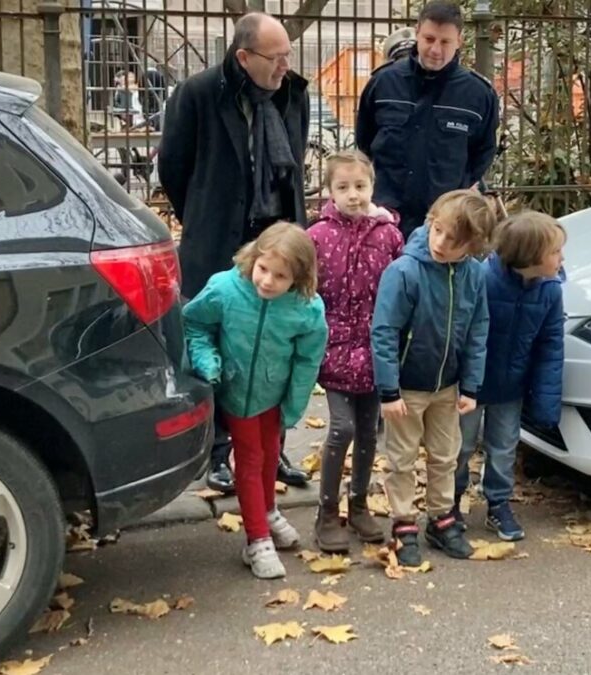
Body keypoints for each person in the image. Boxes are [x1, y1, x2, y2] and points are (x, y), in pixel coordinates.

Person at [159, 12, 311, 493]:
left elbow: (295, 165)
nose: (285, 65)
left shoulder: (291, 93)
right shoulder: (200, 94)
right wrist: (206, 217)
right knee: (225, 347)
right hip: (220, 241)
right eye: (276, 57)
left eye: (289, 54)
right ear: (243, 57)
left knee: (275, 347)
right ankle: (220, 451)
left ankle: (273, 448)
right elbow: (173, 169)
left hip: (277, 241)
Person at [182, 222, 328, 579]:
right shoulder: (225, 289)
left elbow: (308, 357)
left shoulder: (306, 308)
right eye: (264, 269)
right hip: (237, 390)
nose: (267, 281)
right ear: (253, 257)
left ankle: (267, 510)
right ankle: (257, 539)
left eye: (280, 276)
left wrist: (294, 402)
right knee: (249, 459)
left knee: (268, 456)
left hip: (275, 396)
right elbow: (194, 323)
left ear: (298, 278)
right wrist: (206, 360)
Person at [371, 189, 497, 566]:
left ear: (473, 247)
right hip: (407, 387)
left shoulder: (474, 275)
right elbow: (384, 331)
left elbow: (478, 329)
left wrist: (472, 384)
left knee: (447, 455)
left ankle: (442, 519)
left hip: (448, 386)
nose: (441, 243)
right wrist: (388, 389)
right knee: (402, 458)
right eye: (437, 230)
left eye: (454, 241)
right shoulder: (404, 271)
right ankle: (404, 522)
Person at [307, 151, 404, 553]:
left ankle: (359, 503)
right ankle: (327, 511)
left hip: (376, 348)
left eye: (360, 186)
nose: (353, 195)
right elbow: (305, 288)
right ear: (329, 190)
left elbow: (400, 288)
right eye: (343, 187)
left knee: (368, 431)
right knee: (342, 427)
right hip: (334, 348)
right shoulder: (317, 236)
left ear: (372, 187)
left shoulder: (388, 235)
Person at [453, 211, 565, 541]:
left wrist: (545, 402)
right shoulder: (481, 281)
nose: (562, 258)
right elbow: (461, 331)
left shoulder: (550, 291)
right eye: (556, 252)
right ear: (530, 257)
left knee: (503, 447)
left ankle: (498, 503)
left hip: (510, 387)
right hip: (469, 386)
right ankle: (449, 502)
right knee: (460, 446)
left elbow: (551, 345)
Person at [356, 0, 500, 240]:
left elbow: (482, 153)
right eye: (429, 39)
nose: (436, 50)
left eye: (445, 42)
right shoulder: (383, 84)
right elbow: (365, 142)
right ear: (417, 33)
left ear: (460, 41)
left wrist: (457, 190)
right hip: (386, 219)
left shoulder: (478, 94)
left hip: (445, 225)